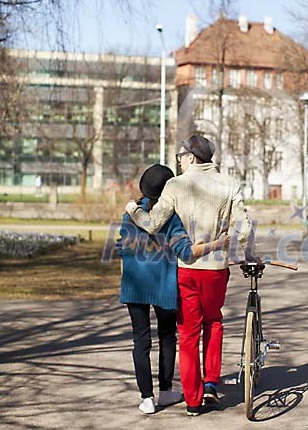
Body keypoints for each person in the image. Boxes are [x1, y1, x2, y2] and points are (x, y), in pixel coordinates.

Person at [126, 135, 252, 417]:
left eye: (180, 157)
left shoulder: (175, 185)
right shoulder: (229, 183)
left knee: (188, 333)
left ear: (192, 158)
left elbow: (153, 223)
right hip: (217, 270)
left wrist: (133, 210)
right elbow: (243, 229)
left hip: (186, 271)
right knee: (214, 320)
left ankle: (193, 402)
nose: (178, 162)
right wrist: (245, 253)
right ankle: (210, 383)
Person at [118, 163, 229, 415]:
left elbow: (120, 247)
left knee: (140, 339)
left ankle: (146, 397)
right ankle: (166, 390)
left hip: (134, 286)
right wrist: (217, 244)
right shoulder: (170, 218)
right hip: (164, 286)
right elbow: (186, 252)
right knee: (167, 337)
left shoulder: (131, 212)